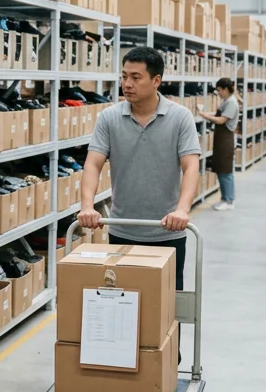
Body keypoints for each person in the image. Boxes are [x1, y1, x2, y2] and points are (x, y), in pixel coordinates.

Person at [79, 47, 201, 290]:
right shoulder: (109, 118)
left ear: (156, 81)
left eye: (136, 77)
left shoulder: (180, 117)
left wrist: (182, 210)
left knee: (167, 310)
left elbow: (191, 166)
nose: (127, 84)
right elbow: (93, 163)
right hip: (122, 230)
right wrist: (87, 206)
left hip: (168, 231)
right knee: (123, 305)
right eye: (124, 76)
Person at [197, 77, 238, 211]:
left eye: (219, 90)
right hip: (221, 139)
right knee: (221, 170)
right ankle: (225, 198)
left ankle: (229, 200)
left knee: (226, 171)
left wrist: (204, 116)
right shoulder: (226, 101)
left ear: (226, 89)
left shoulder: (231, 102)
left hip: (226, 140)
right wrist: (204, 113)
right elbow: (217, 115)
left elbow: (221, 120)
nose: (218, 93)